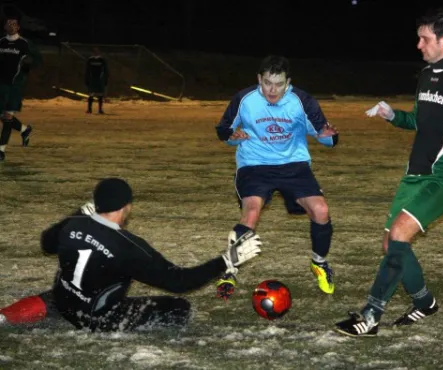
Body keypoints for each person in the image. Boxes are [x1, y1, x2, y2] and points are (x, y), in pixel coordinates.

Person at [333, 7, 443, 337]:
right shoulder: (427, 75)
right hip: (417, 172)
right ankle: (425, 302)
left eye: (424, 39)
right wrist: (392, 115)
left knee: (399, 234)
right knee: (390, 243)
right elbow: (419, 120)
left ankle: (371, 315)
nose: (418, 45)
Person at [0, 178, 262, 332]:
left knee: (60, 297)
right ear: (126, 207)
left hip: (65, 301)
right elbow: (179, 282)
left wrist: (79, 213)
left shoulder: (73, 224)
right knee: (179, 308)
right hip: (97, 319)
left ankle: (6, 315)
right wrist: (227, 260)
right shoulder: (128, 247)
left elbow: (46, 243)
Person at [214, 55, 339, 299]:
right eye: (267, 83)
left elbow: (323, 134)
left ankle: (320, 263)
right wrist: (232, 136)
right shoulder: (245, 99)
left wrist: (329, 136)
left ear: (288, 83)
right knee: (251, 213)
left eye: (279, 84)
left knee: (321, 210)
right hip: (255, 164)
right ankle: (230, 270)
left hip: (294, 164)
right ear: (259, 79)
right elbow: (223, 130)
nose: (273, 90)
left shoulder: (302, 101)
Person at [0, 15, 42, 162]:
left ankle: (1, 150)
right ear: (5, 27)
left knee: (7, 118)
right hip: (1, 85)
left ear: (18, 27)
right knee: (3, 115)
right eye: (8, 23)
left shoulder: (25, 43)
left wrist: (28, 65)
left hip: (14, 86)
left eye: (14, 24)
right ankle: (25, 130)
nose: (11, 26)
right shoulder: (1, 42)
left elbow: (38, 59)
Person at [84, 47, 109, 114]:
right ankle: (90, 109)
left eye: (96, 51)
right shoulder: (90, 59)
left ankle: (99, 109)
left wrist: (105, 78)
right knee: (91, 94)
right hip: (93, 78)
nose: (95, 52)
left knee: (100, 94)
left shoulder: (101, 60)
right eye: (94, 51)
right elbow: (87, 70)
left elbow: (105, 70)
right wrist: (87, 78)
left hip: (99, 79)